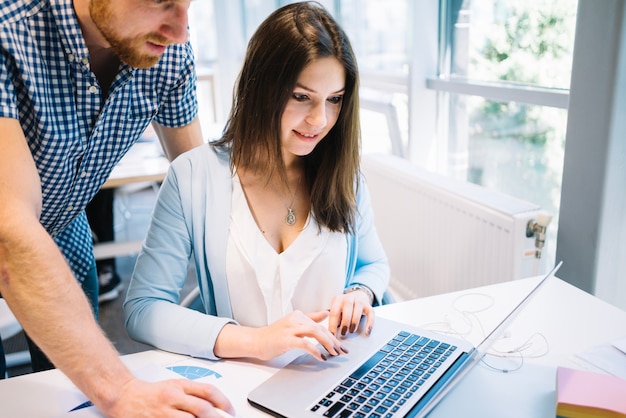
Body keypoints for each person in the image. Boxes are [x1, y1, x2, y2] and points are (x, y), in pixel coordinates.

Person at [0, 0, 234, 416]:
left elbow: (197, 179)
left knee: (74, 393)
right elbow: (9, 231)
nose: (180, 31)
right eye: (162, 3)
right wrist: (120, 389)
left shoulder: (168, 52)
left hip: (63, 229)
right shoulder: (9, 30)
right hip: (13, 231)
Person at [124, 1, 390, 363]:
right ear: (262, 87)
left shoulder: (343, 175)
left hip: (334, 378)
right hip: (241, 388)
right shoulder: (192, 176)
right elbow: (143, 308)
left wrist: (359, 293)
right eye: (301, 97)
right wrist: (255, 341)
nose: (320, 120)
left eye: (335, 100)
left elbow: (373, 264)